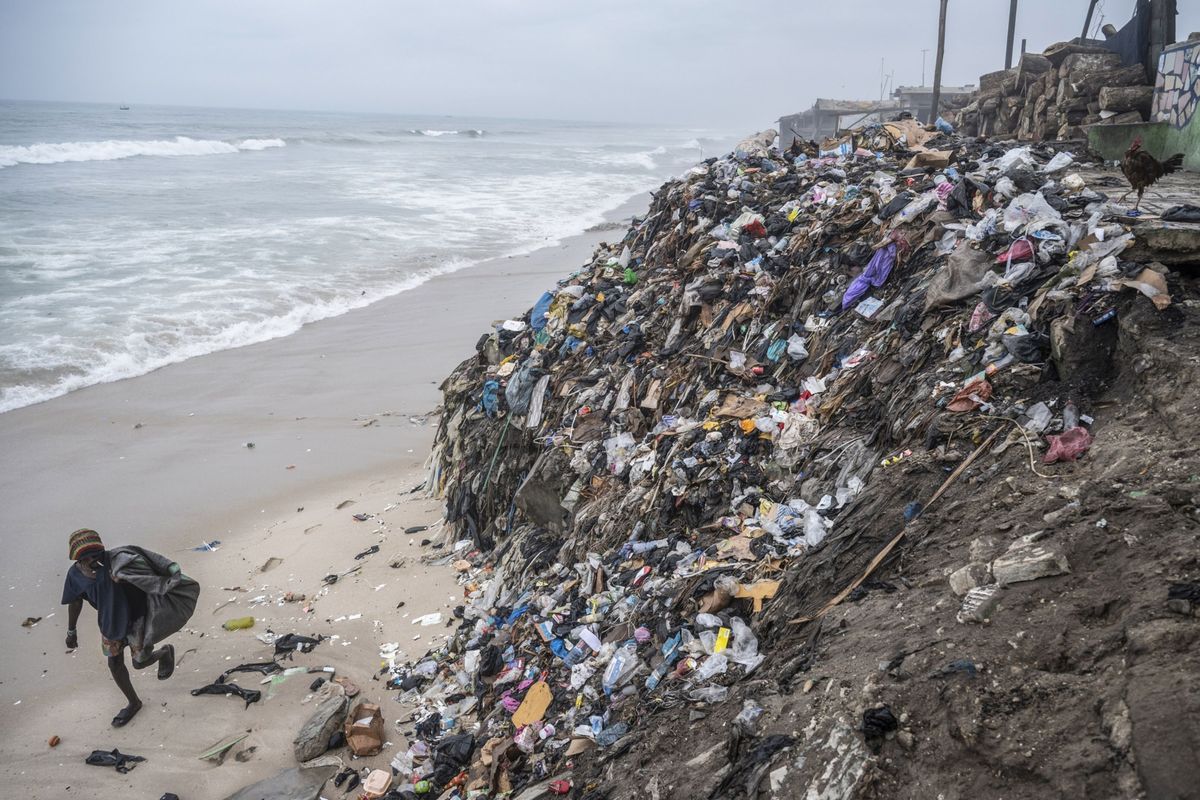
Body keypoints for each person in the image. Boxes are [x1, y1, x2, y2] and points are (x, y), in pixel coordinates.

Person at [62, 529, 199, 727]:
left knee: (140, 663)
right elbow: (74, 602)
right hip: (110, 623)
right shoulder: (75, 575)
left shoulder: (120, 561)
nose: (92, 559)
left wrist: (126, 579)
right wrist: (71, 631)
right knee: (115, 665)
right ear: (77, 558)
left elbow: (151, 573)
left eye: (96, 554)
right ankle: (133, 703)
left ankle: (164, 653)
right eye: (86, 556)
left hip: (136, 620)